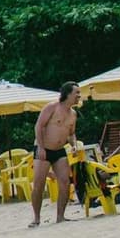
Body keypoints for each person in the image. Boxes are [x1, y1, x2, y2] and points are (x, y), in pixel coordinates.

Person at [31, 82, 82, 227]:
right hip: (44, 149)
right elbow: (39, 126)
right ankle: (36, 218)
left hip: (59, 150)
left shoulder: (73, 114)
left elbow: (71, 133)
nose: (79, 96)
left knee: (65, 182)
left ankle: (61, 216)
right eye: (77, 93)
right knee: (39, 184)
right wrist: (41, 147)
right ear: (68, 94)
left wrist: (74, 145)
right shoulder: (52, 107)